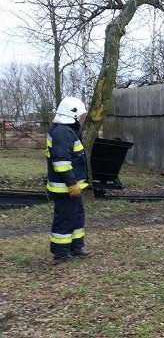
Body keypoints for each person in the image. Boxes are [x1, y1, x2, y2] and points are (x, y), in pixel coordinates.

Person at [46, 97, 92, 263]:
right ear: (72, 114)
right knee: (65, 218)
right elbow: (61, 162)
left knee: (77, 216)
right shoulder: (62, 133)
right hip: (64, 188)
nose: (82, 119)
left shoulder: (68, 131)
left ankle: (76, 246)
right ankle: (61, 252)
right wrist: (72, 183)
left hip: (72, 187)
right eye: (80, 115)